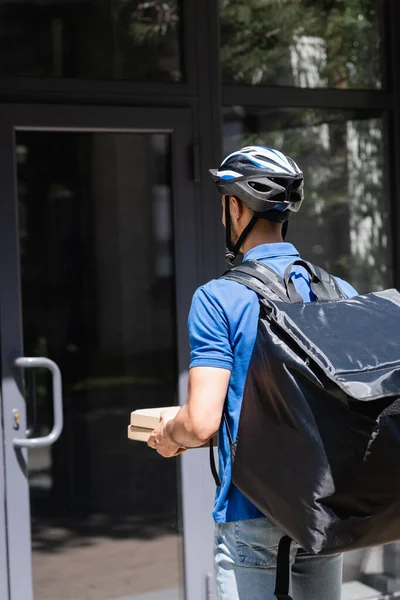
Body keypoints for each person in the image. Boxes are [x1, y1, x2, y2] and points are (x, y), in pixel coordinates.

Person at [148, 146, 358, 600]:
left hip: (252, 508)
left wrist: (170, 434)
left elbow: (201, 421)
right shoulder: (340, 292)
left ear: (237, 206)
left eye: (225, 207)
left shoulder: (218, 298)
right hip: (325, 503)